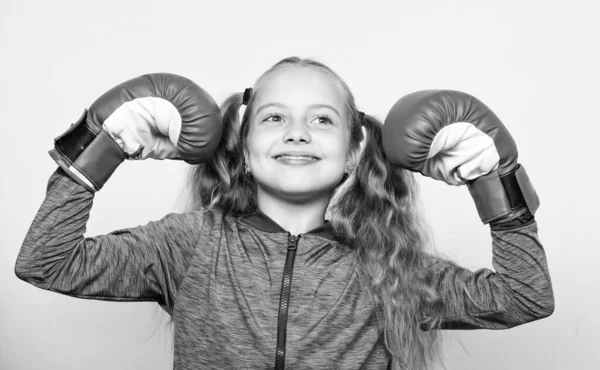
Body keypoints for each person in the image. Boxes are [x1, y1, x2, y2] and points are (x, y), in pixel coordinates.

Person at [15, 57, 554, 370]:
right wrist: (97, 147)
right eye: (274, 117)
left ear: (354, 152)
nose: (297, 132)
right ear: (243, 146)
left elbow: (524, 297)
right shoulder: (188, 243)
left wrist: (496, 182)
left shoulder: (391, 264)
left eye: (321, 120)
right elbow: (47, 262)